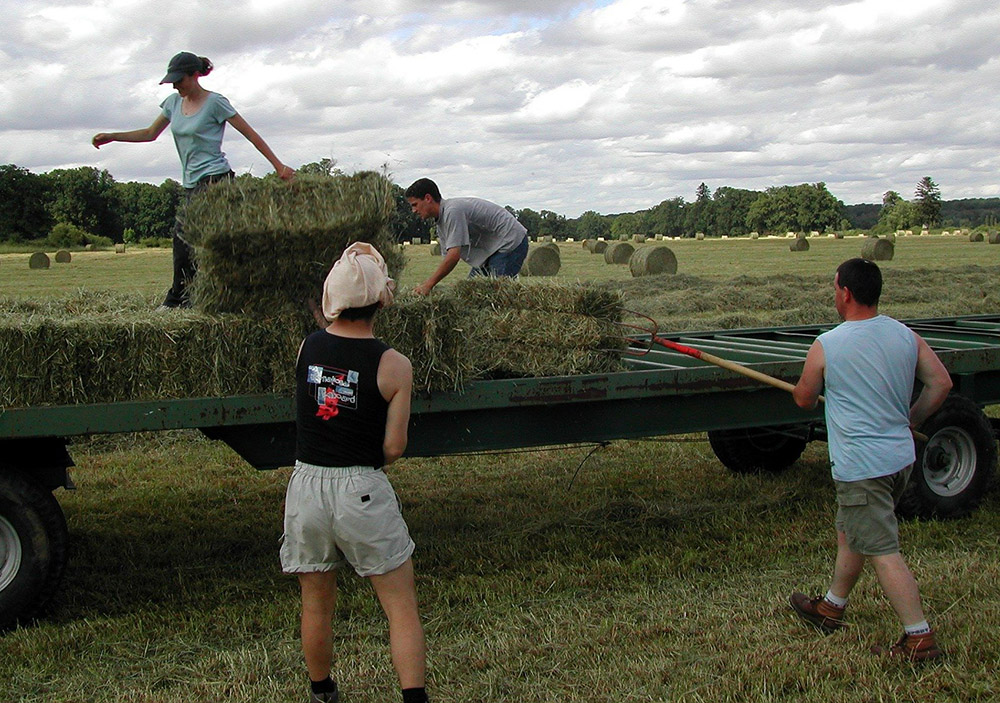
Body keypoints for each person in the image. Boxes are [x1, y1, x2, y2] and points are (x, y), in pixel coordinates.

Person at [280, 242, 429, 703]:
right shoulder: (394, 365)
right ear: (381, 300)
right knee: (401, 608)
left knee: (316, 603)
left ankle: (322, 693)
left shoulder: (307, 347)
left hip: (305, 487)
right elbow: (394, 447)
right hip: (360, 487)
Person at [789, 257, 953, 661]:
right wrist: (910, 419)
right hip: (899, 459)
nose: (834, 295)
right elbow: (941, 383)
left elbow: (804, 398)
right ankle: (831, 607)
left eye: (834, 288)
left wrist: (811, 385)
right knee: (853, 532)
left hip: (863, 466)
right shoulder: (904, 335)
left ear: (845, 293)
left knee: (881, 548)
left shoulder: (829, 343)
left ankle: (919, 637)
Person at [92, 51, 294, 308]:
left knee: (183, 237)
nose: (176, 85)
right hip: (191, 184)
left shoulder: (215, 103)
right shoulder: (172, 104)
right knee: (204, 243)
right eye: (172, 81)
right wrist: (113, 136)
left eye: (180, 80)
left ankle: (178, 300)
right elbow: (150, 133)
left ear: (195, 75)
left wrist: (279, 166)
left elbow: (251, 135)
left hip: (216, 181)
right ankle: (208, 296)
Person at [405, 178, 528, 295]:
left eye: (415, 204)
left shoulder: (452, 211)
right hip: (491, 251)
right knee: (471, 292)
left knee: (496, 296)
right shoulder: (441, 223)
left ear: (427, 198)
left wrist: (428, 285)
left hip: (509, 242)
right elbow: (447, 259)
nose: (413, 210)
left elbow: (454, 256)